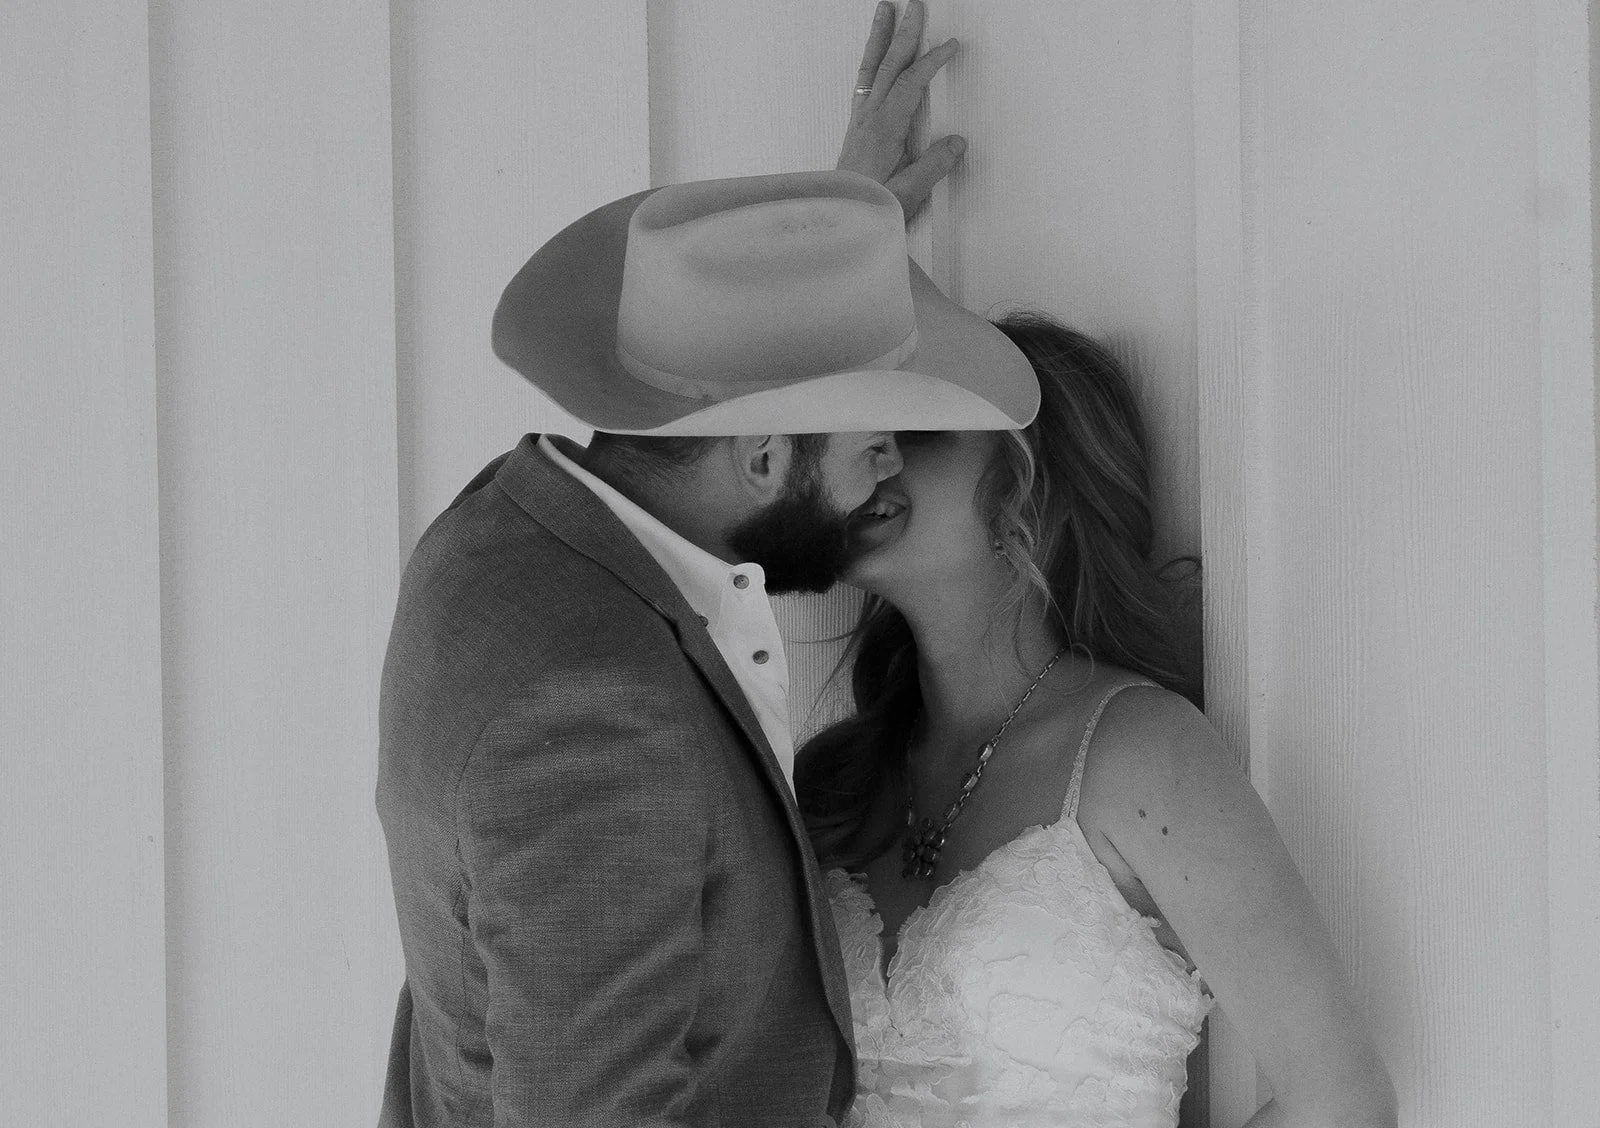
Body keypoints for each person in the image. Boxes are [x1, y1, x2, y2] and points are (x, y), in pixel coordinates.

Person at [374, 7, 1011, 1125]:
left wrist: (825, 257)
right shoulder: (596, 714)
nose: (888, 467)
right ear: (760, 455)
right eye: (870, 436)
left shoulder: (488, 541)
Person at [797, 315, 1399, 1127]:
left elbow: (1342, 1102)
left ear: (1031, 484)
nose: (872, 457)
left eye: (922, 432)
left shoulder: (1139, 751)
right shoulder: (835, 785)